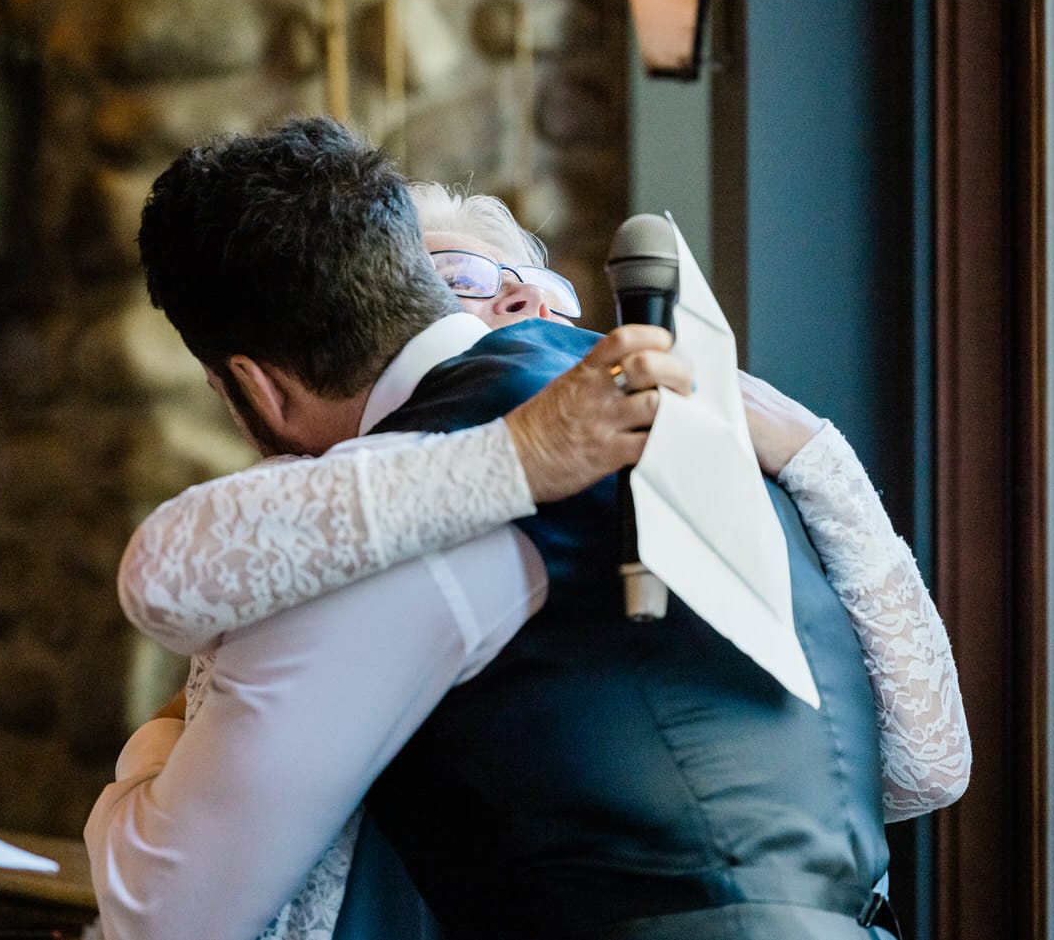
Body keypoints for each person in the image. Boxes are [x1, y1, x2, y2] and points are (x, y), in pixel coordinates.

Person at [86, 117, 970, 940]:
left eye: (529, 286)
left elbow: (166, 911)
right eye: (459, 280)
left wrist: (159, 748)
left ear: (260, 386)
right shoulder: (703, 440)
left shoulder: (431, 505)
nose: (511, 308)